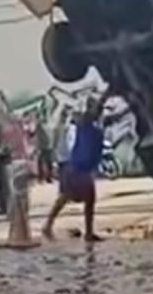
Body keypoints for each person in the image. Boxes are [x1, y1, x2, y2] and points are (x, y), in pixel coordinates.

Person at [42, 95, 107, 242]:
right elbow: (89, 112)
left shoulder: (95, 125)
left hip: (82, 168)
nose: (99, 111)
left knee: (79, 199)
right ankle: (49, 225)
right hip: (77, 167)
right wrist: (103, 97)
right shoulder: (84, 122)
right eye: (95, 108)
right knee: (68, 197)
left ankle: (87, 232)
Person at [34, 113, 54, 184]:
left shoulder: (39, 126)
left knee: (42, 162)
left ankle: (43, 178)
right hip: (48, 146)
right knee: (48, 163)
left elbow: (37, 136)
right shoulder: (48, 124)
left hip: (44, 147)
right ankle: (48, 178)